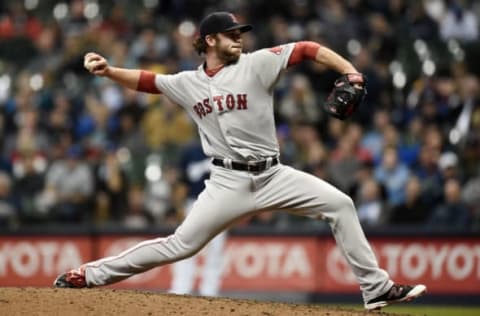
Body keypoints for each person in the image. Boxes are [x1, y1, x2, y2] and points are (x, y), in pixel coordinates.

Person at [54, 12, 426, 310]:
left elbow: (309, 48)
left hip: (273, 174)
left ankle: (375, 288)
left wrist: (350, 71)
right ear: (210, 41)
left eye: (240, 33)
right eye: (232, 34)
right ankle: (89, 275)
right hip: (226, 183)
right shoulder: (186, 83)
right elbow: (149, 81)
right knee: (180, 245)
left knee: (341, 205)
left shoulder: (257, 64)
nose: (240, 38)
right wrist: (109, 70)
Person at [169, 140, 226, 296]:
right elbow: (181, 181)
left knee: (215, 249)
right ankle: (181, 287)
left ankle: (210, 290)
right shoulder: (190, 151)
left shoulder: (226, 148)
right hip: (193, 203)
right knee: (186, 245)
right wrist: (178, 206)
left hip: (220, 204)